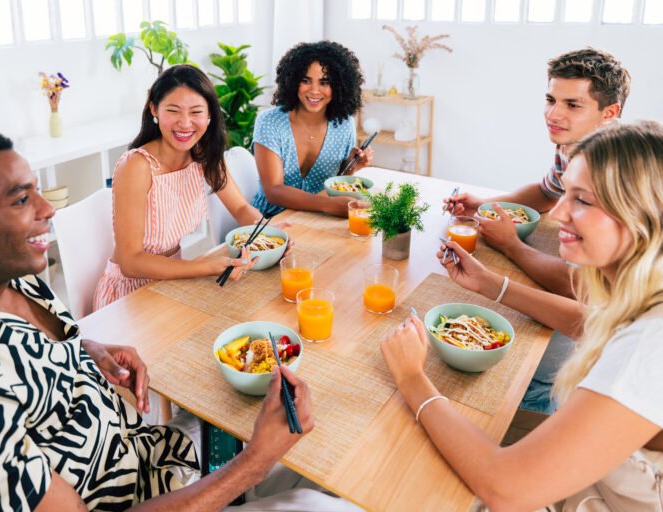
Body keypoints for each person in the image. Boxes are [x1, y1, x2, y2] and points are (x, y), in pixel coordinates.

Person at [0, 129, 366, 511]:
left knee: (331, 447)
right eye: (21, 201)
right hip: (125, 497)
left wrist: (84, 348)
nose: (47, 210)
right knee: (322, 499)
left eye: (38, 190)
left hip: (142, 452)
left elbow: (27, 347)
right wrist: (254, 462)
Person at [383, 121, 663, 510]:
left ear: (643, 215)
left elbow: (506, 487)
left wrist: (412, 378)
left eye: (582, 200)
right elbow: (595, 322)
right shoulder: (647, 298)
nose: (560, 212)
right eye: (566, 194)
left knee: (401, 471)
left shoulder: (652, 344)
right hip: (595, 480)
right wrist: (491, 284)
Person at [444, 47, 631, 298]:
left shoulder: (617, 174)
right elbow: (547, 192)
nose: (553, 115)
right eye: (551, 100)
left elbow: (579, 287)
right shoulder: (571, 146)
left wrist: (512, 246)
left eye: (573, 105)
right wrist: (482, 205)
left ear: (609, 113)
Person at [94, 64, 263, 310]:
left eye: (196, 112)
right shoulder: (137, 166)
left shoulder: (203, 154)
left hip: (173, 281)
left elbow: (240, 207)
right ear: (154, 109)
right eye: (173, 110)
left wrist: (269, 237)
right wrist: (204, 267)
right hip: (128, 297)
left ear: (209, 115)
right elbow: (130, 262)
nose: (185, 124)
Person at [252, 41, 374, 218]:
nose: (315, 91)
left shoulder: (343, 124)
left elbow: (336, 182)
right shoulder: (270, 122)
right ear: (293, 81)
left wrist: (352, 165)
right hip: (268, 222)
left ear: (339, 86)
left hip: (316, 218)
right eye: (306, 80)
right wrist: (329, 205)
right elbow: (274, 190)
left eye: (325, 82)